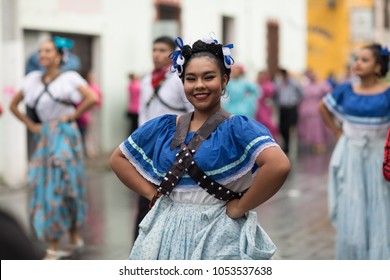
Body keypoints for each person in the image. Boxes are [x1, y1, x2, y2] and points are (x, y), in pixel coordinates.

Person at [110, 35, 291, 260]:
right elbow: (118, 158)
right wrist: (152, 193)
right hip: (166, 233)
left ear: (225, 80)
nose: (199, 86)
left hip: (217, 232)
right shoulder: (164, 127)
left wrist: (240, 207)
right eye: (191, 78)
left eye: (209, 77)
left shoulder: (236, 128)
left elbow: (278, 165)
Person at [9, 36, 98, 260]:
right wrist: (32, 126)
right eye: (41, 51)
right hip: (46, 137)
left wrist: (72, 116)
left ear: (59, 56)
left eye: (48, 51)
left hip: (66, 137)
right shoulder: (31, 80)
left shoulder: (69, 78)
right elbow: (13, 105)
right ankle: (55, 243)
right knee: (47, 187)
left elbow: (91, 98)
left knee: (69, 185)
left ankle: (74, 234)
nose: (43, 55)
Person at [318, 43, 390, 259]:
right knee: (353, 200)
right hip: (351, 156)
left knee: (380, 201)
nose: (357, 63)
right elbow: (323, 107)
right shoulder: (346, 89)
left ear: (378, 67)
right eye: (356, 59)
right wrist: (338, 133)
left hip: (377, 156)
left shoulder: (387, 93)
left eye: (364, 59)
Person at [134, 36, 193, 240]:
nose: (156, 54)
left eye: (162, 50)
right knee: (145, 196)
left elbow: (191, 111)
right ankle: (141, 242)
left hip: (173, 145)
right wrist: (141, 139)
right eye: (154, 49)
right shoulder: (145, 79)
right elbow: (143, 111)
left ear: (171, 54)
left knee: (171, 194)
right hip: (149, 145)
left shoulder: (179, 78)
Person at [298, 69, 332, 153]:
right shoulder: (306, 86)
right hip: (307, 110)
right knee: (309, 127)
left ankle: (320, 143)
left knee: (318, 127)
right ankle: (312, 142)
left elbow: (329, 94)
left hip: (318, 110)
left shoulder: (323, 85)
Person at [274, 68, 304, 155]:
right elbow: (275, 93)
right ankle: (286, 145)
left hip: (291, 107)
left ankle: (295, 146)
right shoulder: (279, 83)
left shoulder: (294, 83)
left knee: (292, 127)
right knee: (282, 127)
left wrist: (296, 101)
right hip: (283, 108)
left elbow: (301, 93)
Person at [77, 69, 103, 157]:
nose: (92, 77)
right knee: (88, 130)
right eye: (90, 75)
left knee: (93, 130)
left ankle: (93, 148)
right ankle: (88, 149)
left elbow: (99, 97)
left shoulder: (94, 86)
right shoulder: (85, 86)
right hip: (87, 110)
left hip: (94, 110)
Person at [255, 70, 279, 138]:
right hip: (257, 107)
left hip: (265, 107)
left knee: (267, 123)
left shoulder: (268, 85)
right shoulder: (257, 85)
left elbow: (271, 92)